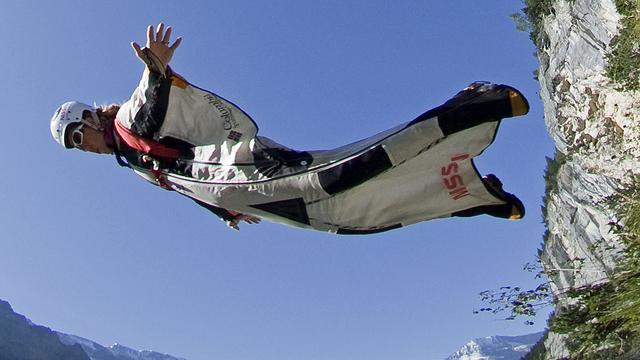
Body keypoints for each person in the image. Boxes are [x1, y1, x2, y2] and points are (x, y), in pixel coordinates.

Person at [51, 23, 527, 234]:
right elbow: (173, 178)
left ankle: (469, 107)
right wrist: (224, 214)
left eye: (79, 134)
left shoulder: (127, 126)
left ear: (89, 117)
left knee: (335, 176)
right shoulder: (126, 157)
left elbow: (150, 105)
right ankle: (467, 192)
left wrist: (156, 71)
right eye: (75, 146)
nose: (83, 145)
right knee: (340, 216)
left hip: (241, 170)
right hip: (233, 191)